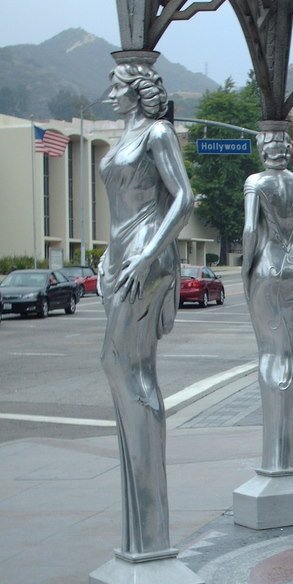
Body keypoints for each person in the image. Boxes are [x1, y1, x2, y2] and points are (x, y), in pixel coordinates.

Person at [99, 52, 193, 555]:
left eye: (117, 86)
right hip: (120, 259)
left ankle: (151, 520)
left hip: (146, 259)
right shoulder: (124, 138)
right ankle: (142, 523)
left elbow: (183, 198)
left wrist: (149, 254)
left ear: (137, 90)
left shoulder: (157, 135)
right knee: (125, 368)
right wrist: (106, 259)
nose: (110, 94)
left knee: (123, 366)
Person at [242, 121, 293, 472]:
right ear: (287, 149)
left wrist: (247, 270)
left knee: (269, 354)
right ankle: (284, 454)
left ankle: (273, 460)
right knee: (289, 353)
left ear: (264, 149)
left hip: (267, 267)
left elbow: (249, 229)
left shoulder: (256, 183)